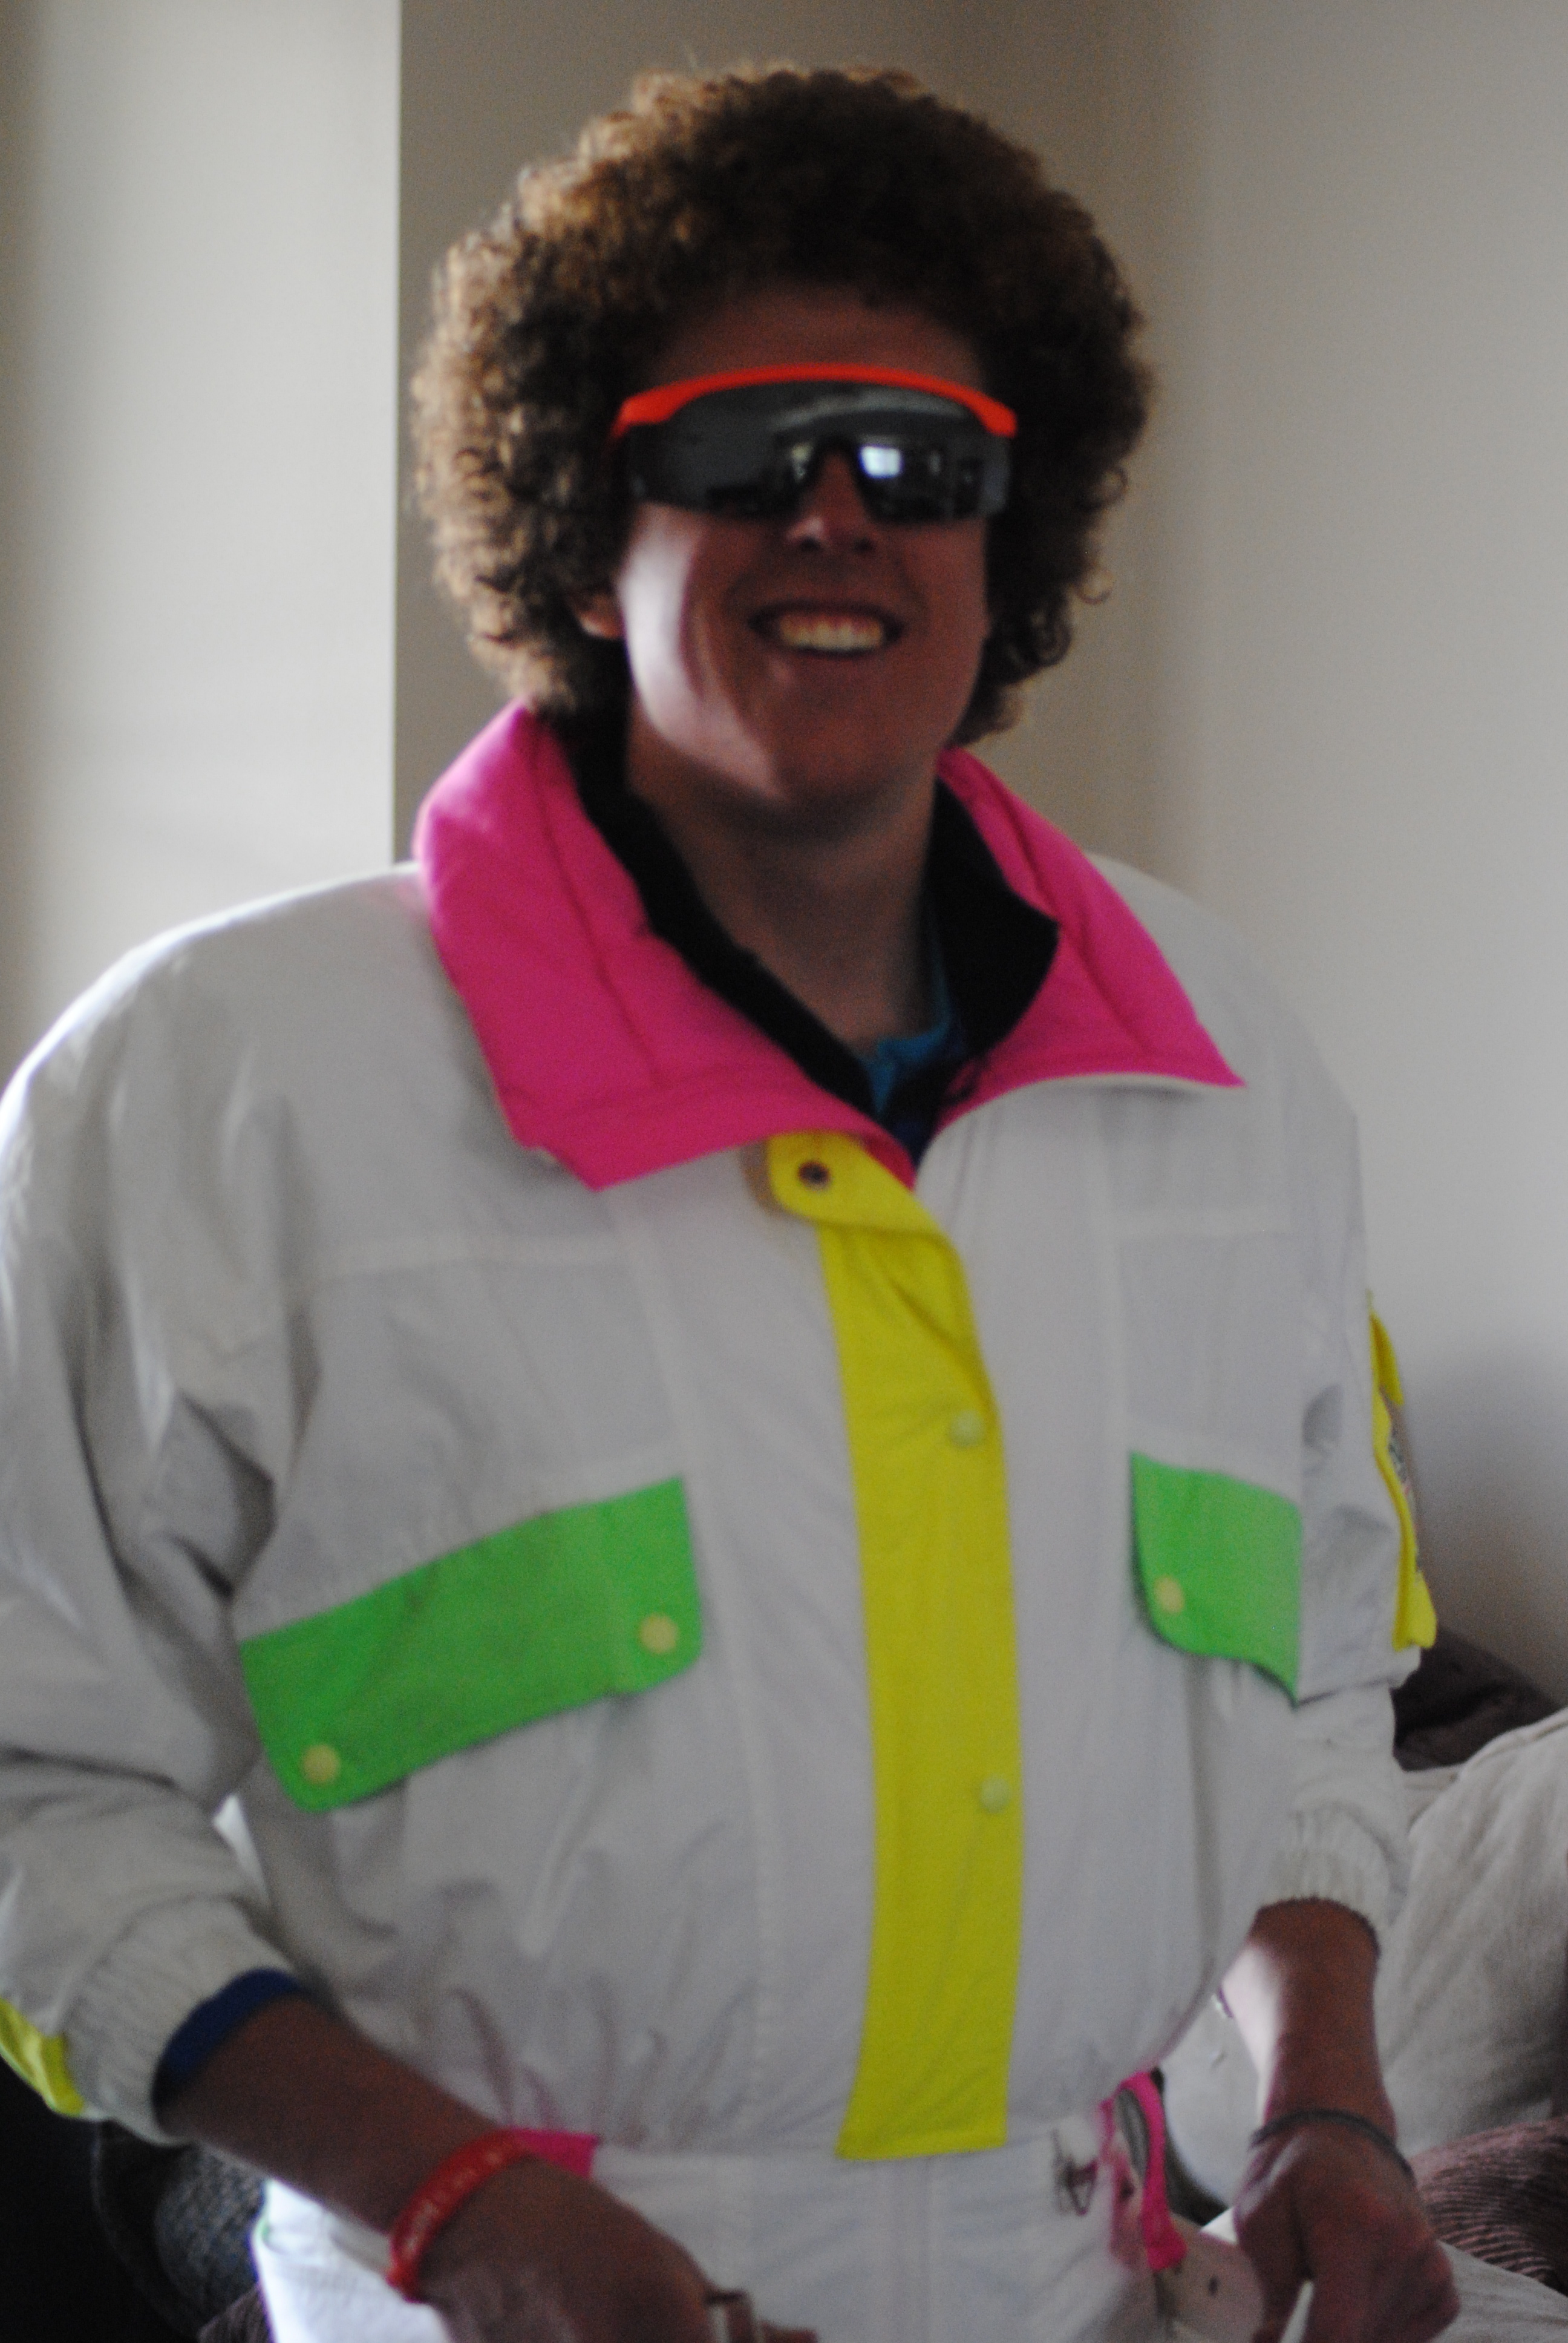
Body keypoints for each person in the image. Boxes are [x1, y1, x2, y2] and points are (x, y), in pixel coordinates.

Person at [0, 63, 1457, 2343]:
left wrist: (1327, 2108)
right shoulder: (216, 1087)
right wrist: (460, 2206)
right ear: (585, 528)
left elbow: (1319, 1686)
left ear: (1015, 529)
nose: (837, 518)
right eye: (742, 452)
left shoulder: (1229, 1076)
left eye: (922, 463)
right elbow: (29, 1788)